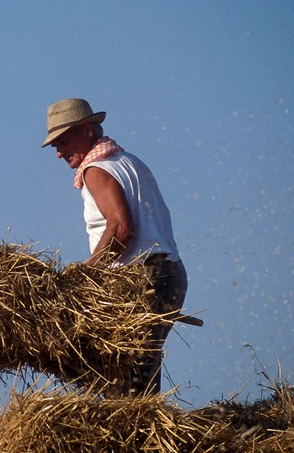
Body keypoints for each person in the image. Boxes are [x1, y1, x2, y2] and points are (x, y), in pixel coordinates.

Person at [42, 97, 188, 395]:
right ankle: (141, 428)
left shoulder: (95, 169)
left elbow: (122, 228)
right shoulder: (130, 162)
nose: (58, 152)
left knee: (130, 374)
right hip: (168, 273)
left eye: (63, 140)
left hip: (143, 277)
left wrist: (86, 272)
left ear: (87, 130)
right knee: (139, 365)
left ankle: (137, 435)